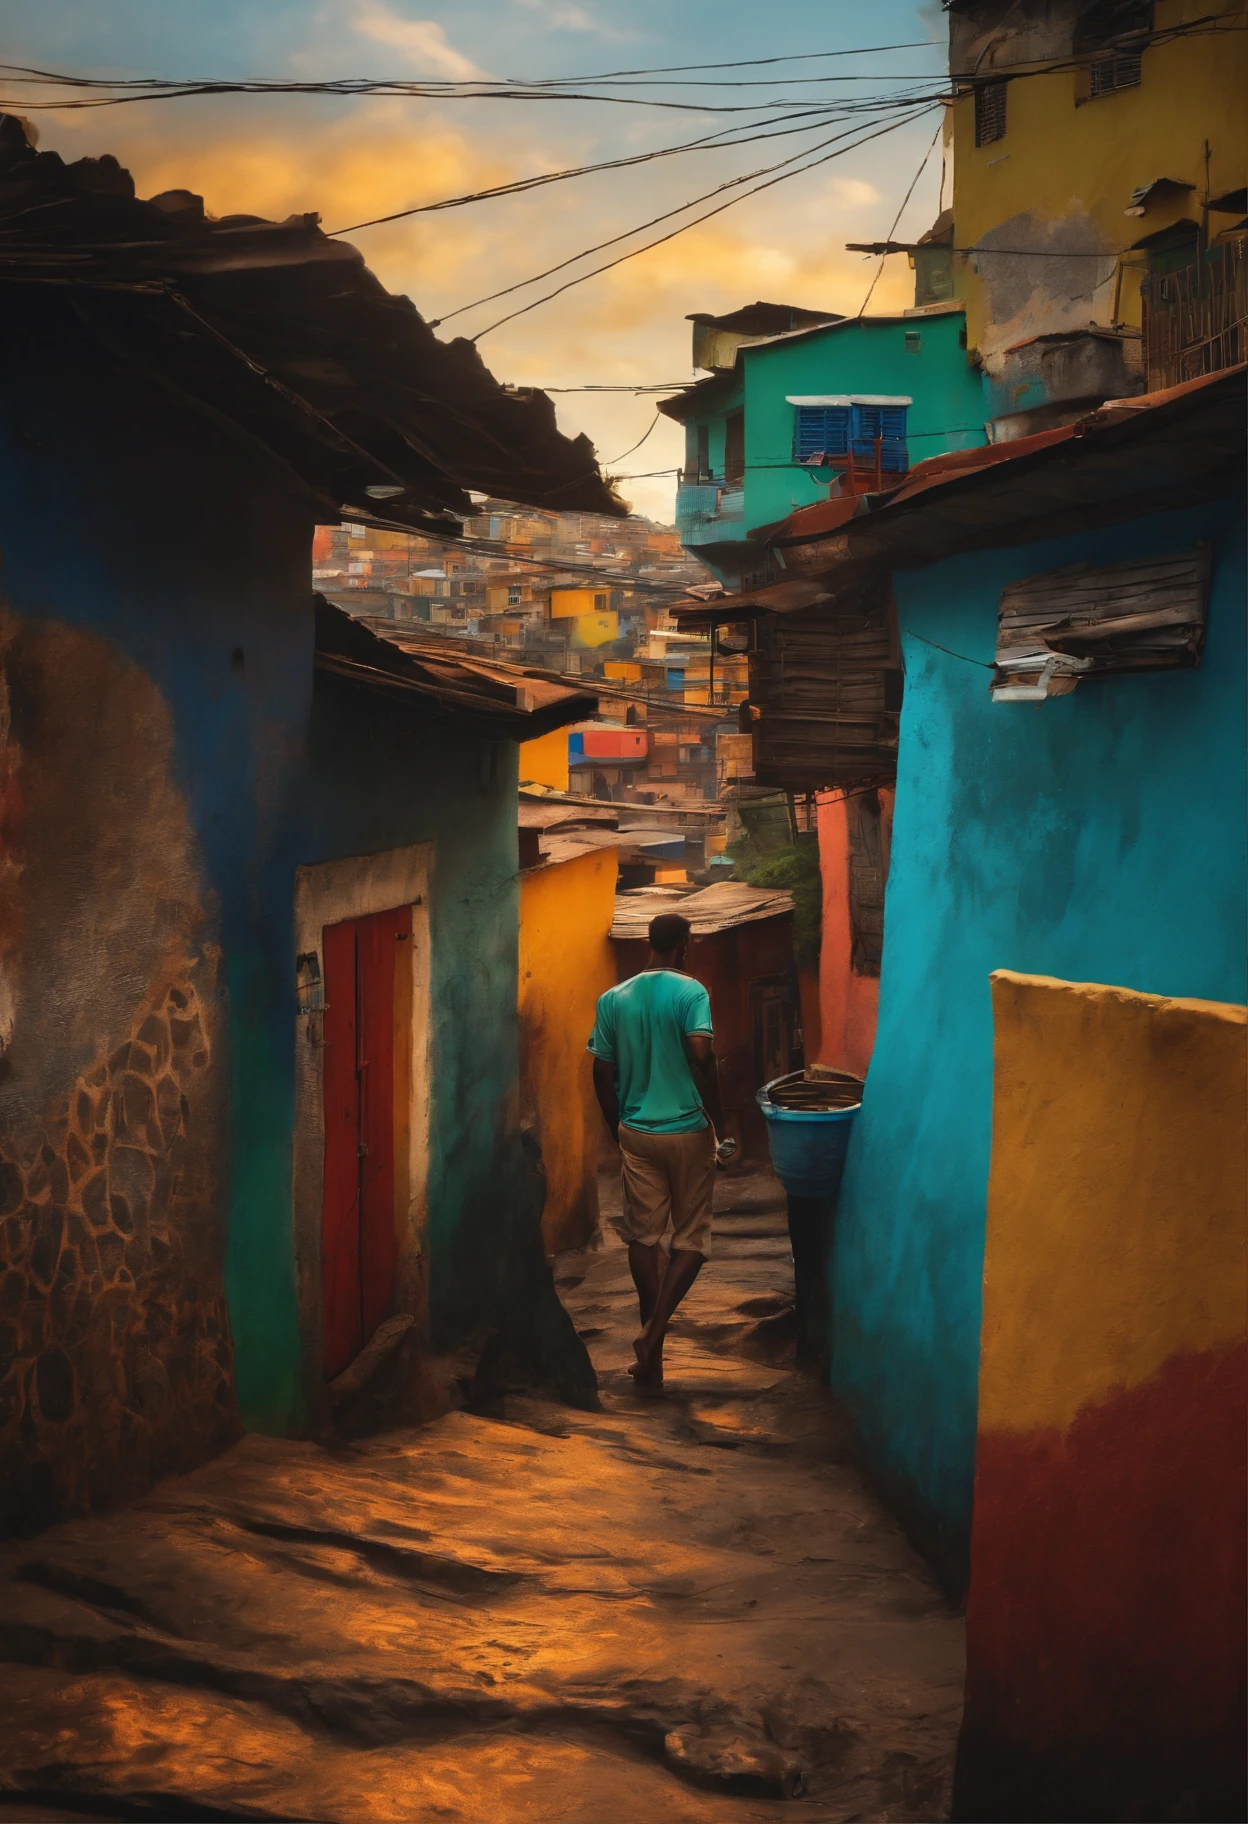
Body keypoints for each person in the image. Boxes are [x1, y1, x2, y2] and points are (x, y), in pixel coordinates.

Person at [588, 911, 736, 1392]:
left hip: (636, 1130)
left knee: (643, 1238)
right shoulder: (692, 992)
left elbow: (600, 1073)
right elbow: (700, 1054)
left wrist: (617, 1128)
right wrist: (721, 1123)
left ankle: (651, 1362)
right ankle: (653, 1335)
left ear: (646, 944)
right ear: (684, 945)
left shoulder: (613, 999)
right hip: (688, 1130)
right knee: (691, 1239)